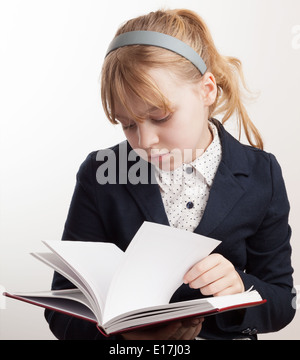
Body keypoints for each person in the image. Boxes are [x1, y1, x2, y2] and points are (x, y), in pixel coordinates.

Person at [45, 9, 295, 340]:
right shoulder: (100, 174)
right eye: (128, 124)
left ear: (207, 91)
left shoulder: (262, 174)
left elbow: (282, 301)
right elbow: (63, 308)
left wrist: (240, 287)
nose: (145, 141)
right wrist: (124, 335)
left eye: (160, 117)